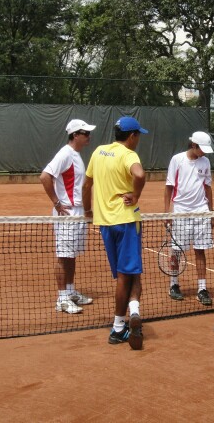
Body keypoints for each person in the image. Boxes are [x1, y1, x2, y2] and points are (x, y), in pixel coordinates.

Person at [82, 116, 148, 350]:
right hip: (127, 221)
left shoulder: (98, 151)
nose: (138, 139)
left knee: (129, 273)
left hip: (105, 223)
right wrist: (136, 195)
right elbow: (139, 175)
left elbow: (86, 184)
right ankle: (119, 327)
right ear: (132, 136)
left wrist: (88, 210)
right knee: (126, 275)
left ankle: (135, 311)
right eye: (138, 135)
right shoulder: (129, 154)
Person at [40, 119, 96, 314]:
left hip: (77, 213)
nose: (89, 136)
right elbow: (45, 176)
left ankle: (70, 291)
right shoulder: (65, 154)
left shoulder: (76, 155)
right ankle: (62, 299)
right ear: (75, 135)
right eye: (85, 133)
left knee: (71, 255)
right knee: (63, 256)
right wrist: (56, 202)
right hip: (67, 213)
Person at [163, 131, 214, 306]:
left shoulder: (206, 161)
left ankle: (202, 288)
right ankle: (174, 284)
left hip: (201, 211)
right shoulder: (177, 160)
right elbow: (169, 187)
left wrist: (211, 211)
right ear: (193, 145)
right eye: (202, 149)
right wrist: (167, 212)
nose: (205, 152)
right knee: (176, 250)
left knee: (200, 250)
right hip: (181, 210)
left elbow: (207, 188)